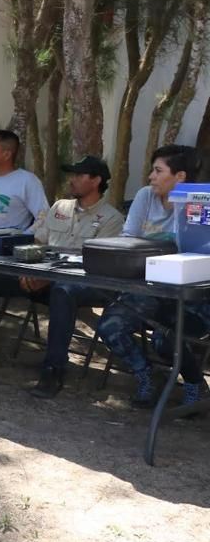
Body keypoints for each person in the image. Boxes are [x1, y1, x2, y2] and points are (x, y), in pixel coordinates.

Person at [0, 157, 125, 400]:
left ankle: (53, 369)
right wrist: (26, 270)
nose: (71, 180)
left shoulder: (112, 218)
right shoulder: (60, 207)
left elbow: (96, 263)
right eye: (72, 174)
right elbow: (37, 243)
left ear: (96, 181)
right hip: (42, 276)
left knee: (63, 292)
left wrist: (47, 277)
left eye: (79, 175)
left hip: (81, 284)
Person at [96, 144, 209, 408]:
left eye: (158, 171)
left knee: (164, 338)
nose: (151, 177)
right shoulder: (146, 196)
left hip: (191, 297)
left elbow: (191, 252)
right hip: (149, 287)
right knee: (111, 326)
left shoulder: (200, 202)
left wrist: (183, 203)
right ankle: (146, 375)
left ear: (180, 176)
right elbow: (128, 239)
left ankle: (194, 384)